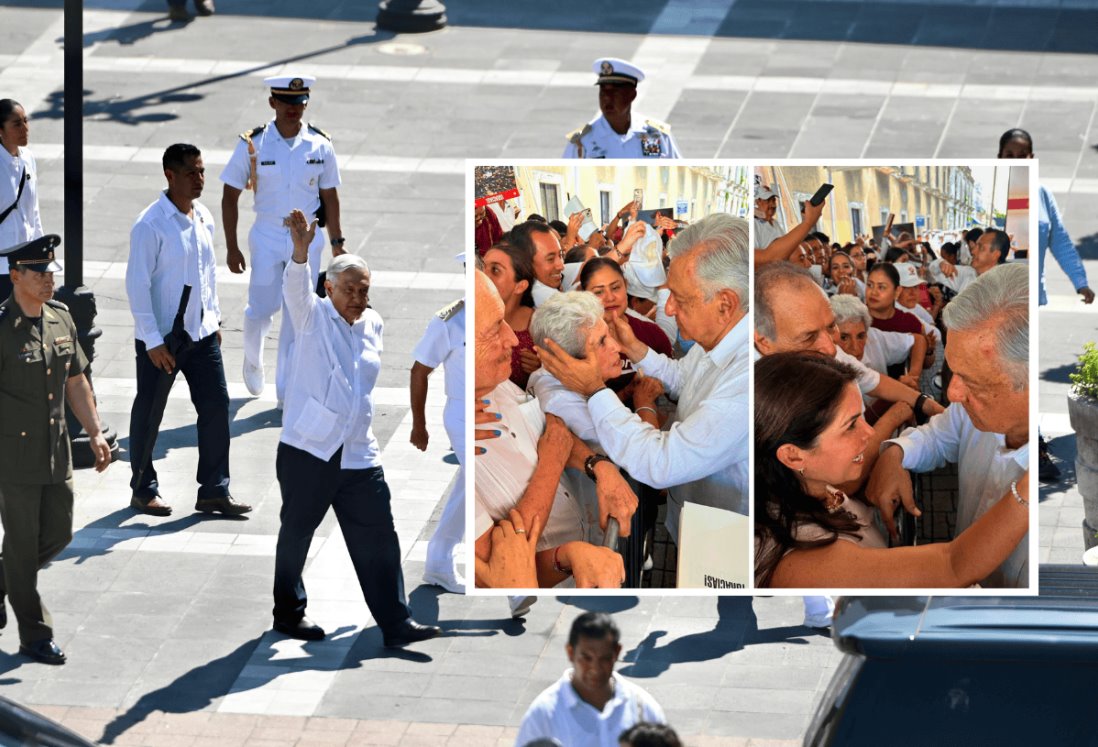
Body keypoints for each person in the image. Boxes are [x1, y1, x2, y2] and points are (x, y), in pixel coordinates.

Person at [271, 209, 439, 647]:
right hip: (309, 448)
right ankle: (288, 613)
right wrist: (301, 252)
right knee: (296, 536)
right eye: (349, 290)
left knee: (381, 539)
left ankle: (396, 624)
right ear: (329, 288)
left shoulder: (374, 324)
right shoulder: (311, 315)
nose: (357, 298)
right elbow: (294, 287)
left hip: (358, 451)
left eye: (364, 291)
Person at [538, 214, 751, 544]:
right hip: (698, 521)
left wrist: (594, 389)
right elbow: (681, 378)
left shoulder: (746, 380)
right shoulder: (718, 340)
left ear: (725, 304)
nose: (668, 310)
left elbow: (661, 461)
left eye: (679, 298)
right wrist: (635, 349)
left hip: (724, 537)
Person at [754, 351, 1030, 588]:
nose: (868, 432)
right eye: (850, 425)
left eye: (862, 417)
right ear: (792, 456)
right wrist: (1027, 487)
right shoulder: (804, 565)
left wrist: (892, 454)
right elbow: (951, 566)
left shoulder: (808, 488)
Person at [865, 263, 1031, 587]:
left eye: (973, 381)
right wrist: (894, 454)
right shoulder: (969, 410)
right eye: (953, 372)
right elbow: (936, 437)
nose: (953, 394)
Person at [474, 271, 632, 590]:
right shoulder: (455, 437)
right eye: (494, 330)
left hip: (584, 552)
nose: (514, 339)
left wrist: (597, 466)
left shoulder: (497, 381)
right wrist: (568, 556)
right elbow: (497, 568)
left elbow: (553, 436)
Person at [0, 235, 111, 664]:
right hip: (14, 458)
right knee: (24, 550)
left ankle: (3, 575)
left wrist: (96, 432)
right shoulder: (1, 329)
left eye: (51, 273)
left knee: (60, 533)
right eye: (39, 273)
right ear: (15, 276)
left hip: (56, 452)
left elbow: (76, 380)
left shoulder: (60, 318)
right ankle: (35, 634)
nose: (49, 280)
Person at [125, 144, 250, 518]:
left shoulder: (203, 217)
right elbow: (136, 285)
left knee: (215, 409)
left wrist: (212, 319)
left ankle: (214, 490)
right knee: (150, 414)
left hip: (202, 335)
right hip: (163, 340)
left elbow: (206, 274)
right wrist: (152, 341)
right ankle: (143, 489)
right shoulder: (150, 224)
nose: (200, 179)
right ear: (170, 175)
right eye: (192, 173)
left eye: (202, 171)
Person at [220, 75, 344, 406]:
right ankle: (252, 358)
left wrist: (337, 240)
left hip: (306, 236)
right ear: (273, 103)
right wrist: (231, 246)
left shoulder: (320, 144)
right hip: (267, 234)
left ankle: (286, 393)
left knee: (298, 313)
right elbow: (230, 195)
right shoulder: (253, 144)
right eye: (288, 103)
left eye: (300, 103)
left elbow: (330, 195)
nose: (294, 110)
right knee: (262, 308)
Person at [998, 127, 1094, 481]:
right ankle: (1024, 444)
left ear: (1031, 158)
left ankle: (1032, 446)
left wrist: (1080, 281)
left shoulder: (1040, 193)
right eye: (1007, 154)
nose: (1014, 159)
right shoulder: (1002, 196)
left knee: (1025, 377)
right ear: (999, 157)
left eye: (1021, 154)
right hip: (1003, 303)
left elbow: (1061, 240)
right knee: (1013, 376)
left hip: (1030, 302)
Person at [754, 263, 944, 429]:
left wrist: (927, 404)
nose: (830, 348)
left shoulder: (824, 352)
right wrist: (893, 418)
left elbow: (873, 380)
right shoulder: (757, 404)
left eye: (831, 327)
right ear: (764, 343)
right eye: (809, 337)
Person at [515, 612, 665, 747]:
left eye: (604, 658)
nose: (595, 668)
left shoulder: (643, 708)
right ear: (570, 652)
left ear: (617, 652)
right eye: (586, 658)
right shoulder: (543, 714)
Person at [410, 287, 466, 594]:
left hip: (491, 408)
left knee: (469, 486)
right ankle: (514, 589)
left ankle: (438, 561)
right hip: (461, 414)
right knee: (481, 484)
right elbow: (419, 371)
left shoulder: (498, 311)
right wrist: (419, 425)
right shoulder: (449, 320)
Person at [563, 59, 680, 159]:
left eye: (615, 92)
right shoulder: (582, 141)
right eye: (603, 92)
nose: (607, 98)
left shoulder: (657, 133)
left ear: (632, 95)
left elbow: (679, 175)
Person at [0, 99, 43, 301]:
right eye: (17, 124)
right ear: (1, 130)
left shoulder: (28, 158)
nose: (25, 128)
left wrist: (42, 257)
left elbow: (33, 212)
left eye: (26, 121)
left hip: (26, 264)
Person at [481, 241, 538, 390]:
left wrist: (541, 370)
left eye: (495, 270)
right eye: (481, 267)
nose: (483, 275)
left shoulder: (539, 323)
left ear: (520, 286)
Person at [511, 220, 566, 307]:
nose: (561, 266)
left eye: (561, 255)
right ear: (524, 263)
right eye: (550, 259)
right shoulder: (552, 300)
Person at [753, 184, 784, 251]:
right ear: (757, 202)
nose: (773, 205)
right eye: (767, 200)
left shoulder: (775, 223)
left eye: (773, 200)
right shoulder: (754, 225)